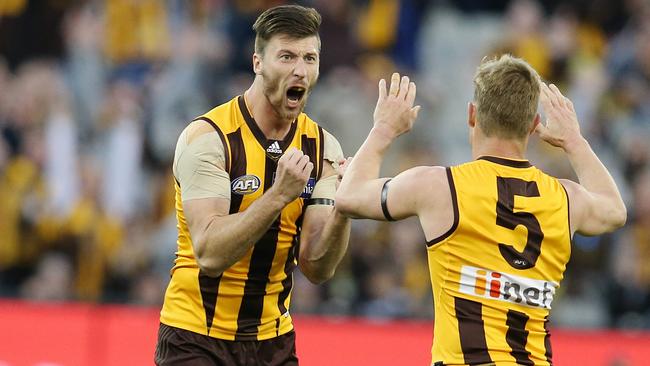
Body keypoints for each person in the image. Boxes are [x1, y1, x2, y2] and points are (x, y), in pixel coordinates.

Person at [336, 55, 627, 365]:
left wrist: (383, 130)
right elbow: (615, 210)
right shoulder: (567, 198)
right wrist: (574, 141)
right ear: (534, 126)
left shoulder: (440, 187)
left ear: (472, 115)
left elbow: (349, 197)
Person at [155, 5, 351, 365]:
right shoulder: (209, 139)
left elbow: (317, 268)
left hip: (273, 342)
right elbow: (210, 254)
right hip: (196, 338)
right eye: (287, 56)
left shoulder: (324, 148)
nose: (300, 70)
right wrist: (278, 195)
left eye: (310, 58)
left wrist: (343, 211)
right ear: (258, 62)